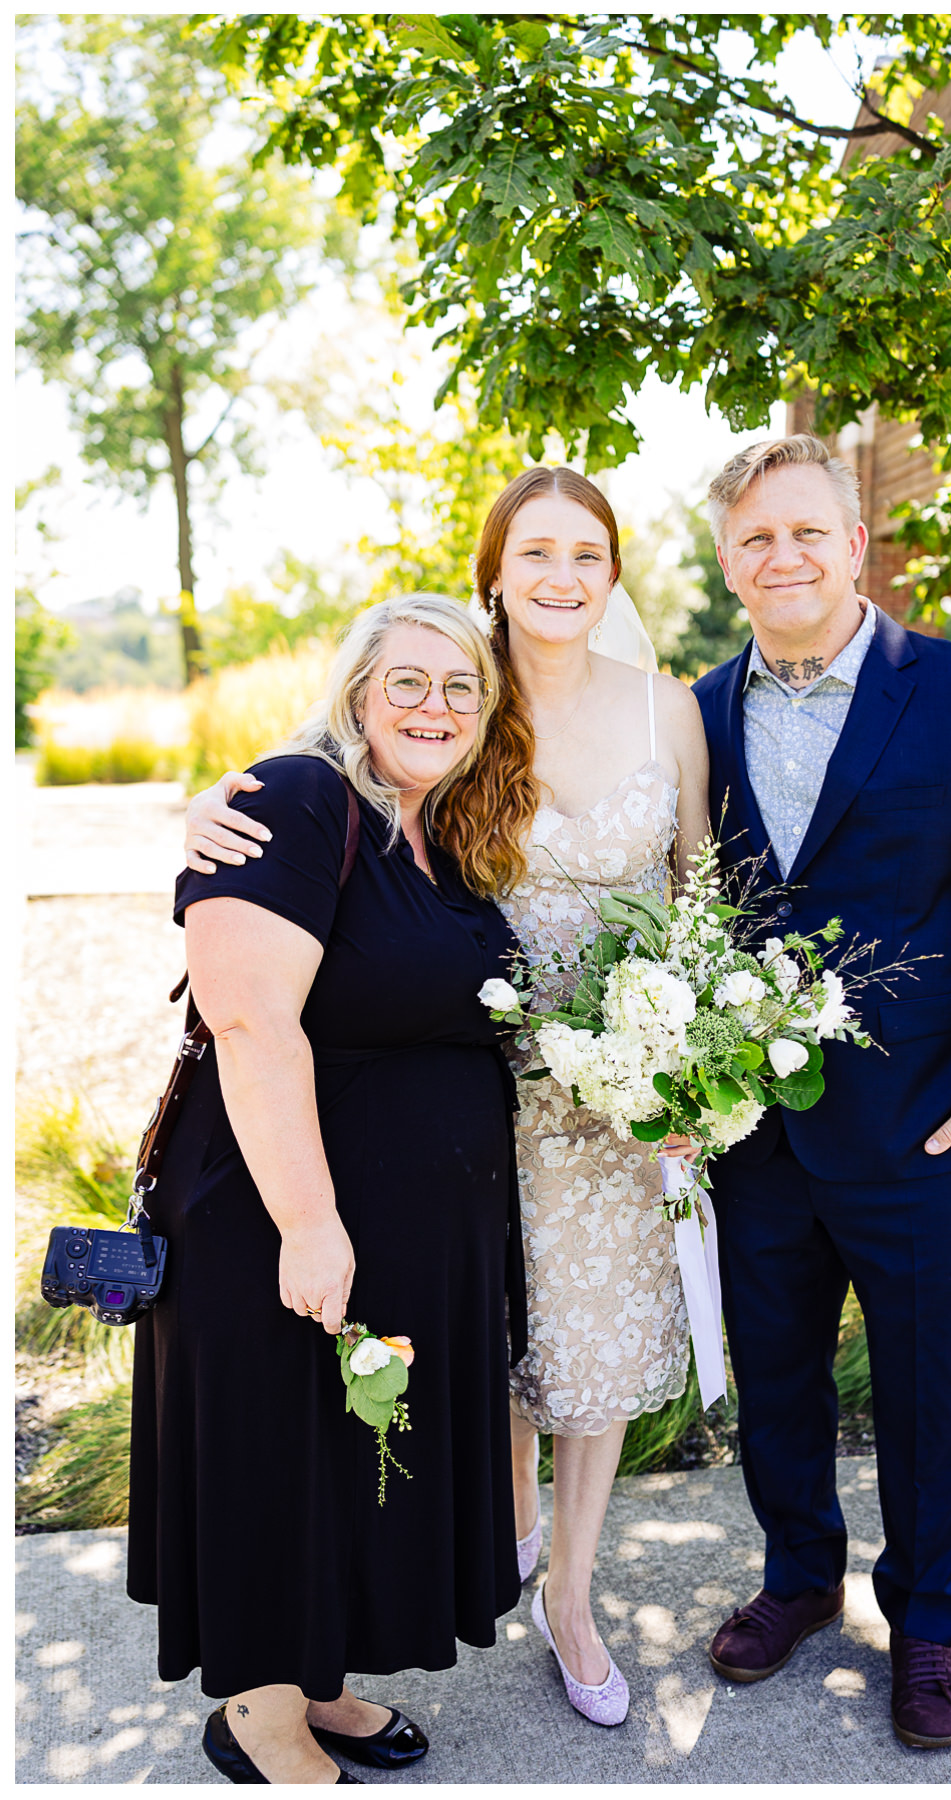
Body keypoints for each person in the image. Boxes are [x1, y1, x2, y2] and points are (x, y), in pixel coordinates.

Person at [182, 467, 711, 1728]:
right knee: (423, 1379)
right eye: (535, 551)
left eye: (589, 553)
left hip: (602, 1108)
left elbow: (702, 896)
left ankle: (558, 1600)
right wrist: (199, 804)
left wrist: (696, 1062)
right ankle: (346, 1652)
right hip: (439, 1115)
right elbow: (303, 841)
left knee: (555, 1363)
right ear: (494, 571)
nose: (561, 577)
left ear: (617, 573)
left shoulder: (660, 715)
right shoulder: (431, 716)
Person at [691, 435, 951, 1748]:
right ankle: (799, 1578)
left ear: (857, 546)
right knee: (779, 1374)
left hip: (925, 1126)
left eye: (807, 531)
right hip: (756, 1131)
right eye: (756, 537)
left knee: (928, 1391)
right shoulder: (692, 713)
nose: (783, 555)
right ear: (729, 560)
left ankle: (927, 1624)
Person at [127, 595, 534, 1784]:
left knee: (352, 1453)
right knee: (276, 1447)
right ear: (358, 690)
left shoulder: (430, 835)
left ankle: (319, 1680)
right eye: (408, 682)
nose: (436, 708)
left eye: (462, 688)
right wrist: (311, 1225)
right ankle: (259, 1714)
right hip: (279, 1214)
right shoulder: (300, 799)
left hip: (400, 1226)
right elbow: (249, 1020)